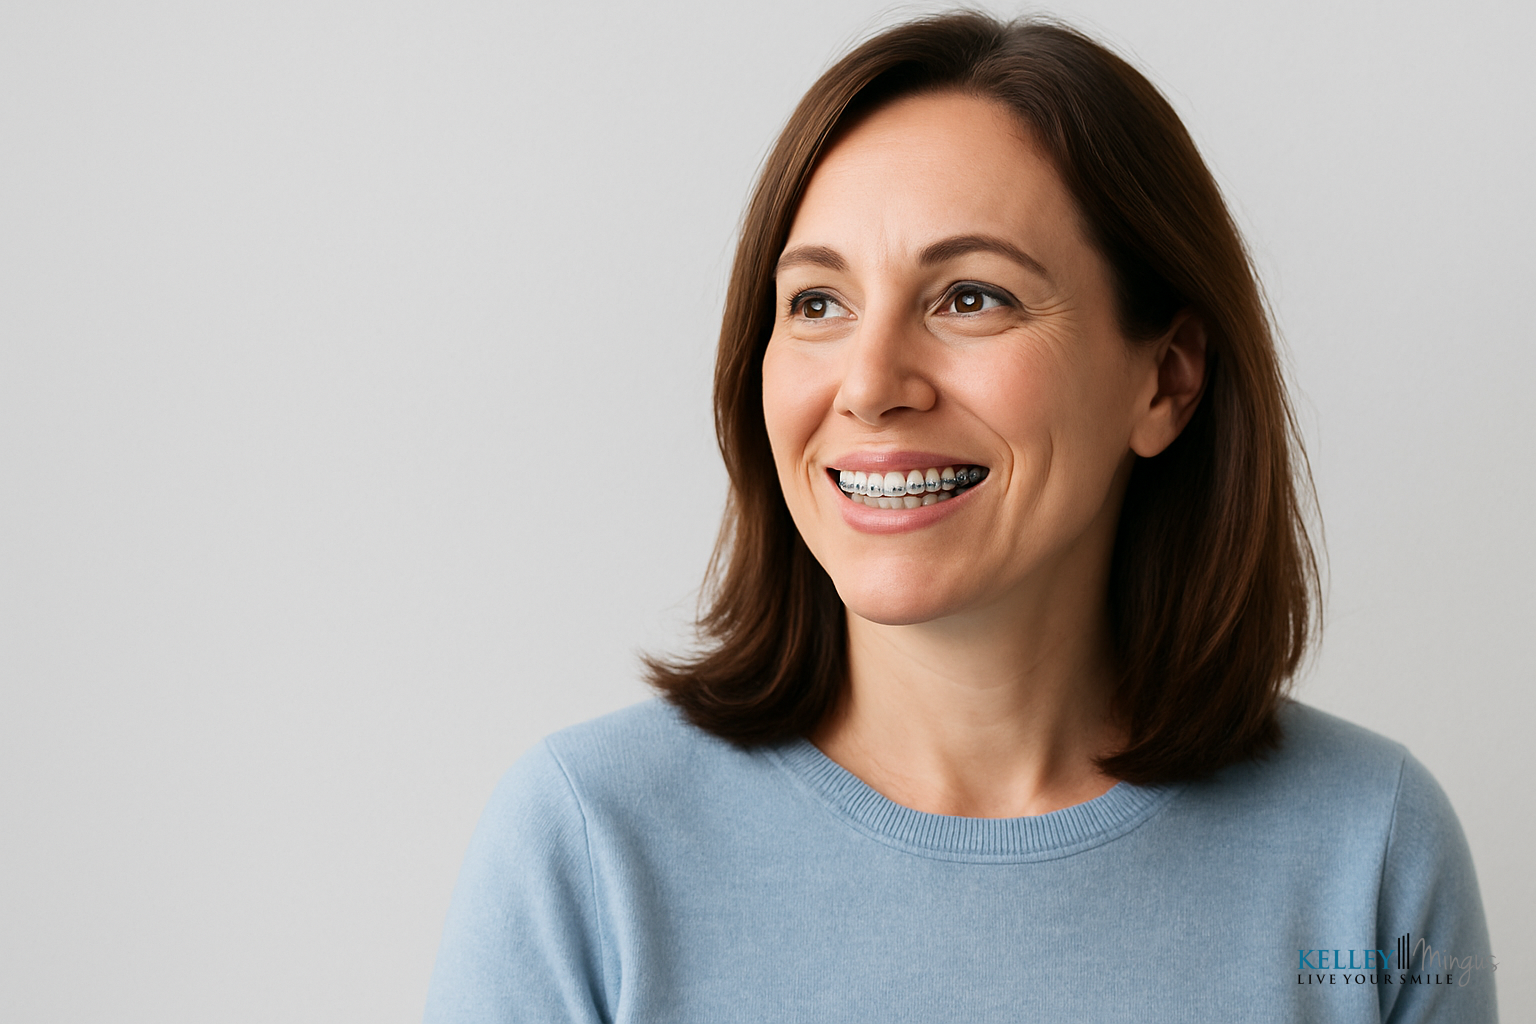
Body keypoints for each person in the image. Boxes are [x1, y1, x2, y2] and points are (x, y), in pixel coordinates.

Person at [424, 13, 1495, 1022]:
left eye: (970, 296)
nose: (870, 381)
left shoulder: (1374, 856)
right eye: (817, 304)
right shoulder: (586, 849)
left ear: (1164, 382)